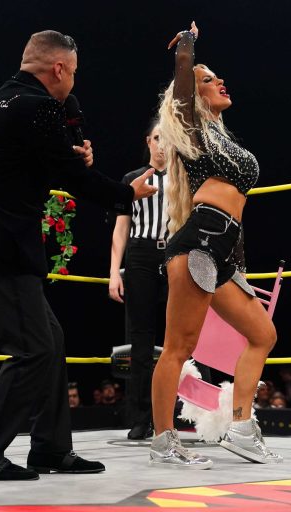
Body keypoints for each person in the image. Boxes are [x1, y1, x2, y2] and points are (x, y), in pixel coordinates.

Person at [0, 29, 157, 481]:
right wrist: (126, 194)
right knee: (32, 349)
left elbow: (24, 166)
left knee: (50, 340)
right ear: (58, 68)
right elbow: (71, 179)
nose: (73, 82)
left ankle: (51, 449)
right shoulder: (38, 106)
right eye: (73, 73)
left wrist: (71, 159)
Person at [148, 21, 281, 469]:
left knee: (262, 335)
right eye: (208, 79)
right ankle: (163, 440)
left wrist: (237, 267)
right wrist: (187, 48)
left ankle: (242, 430)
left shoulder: (218, 137)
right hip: (199, 246)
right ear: (193, 94)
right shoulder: (191, 126)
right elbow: (182, 85)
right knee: (178, 347)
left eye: (217, 76)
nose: (220, 81)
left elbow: (235, 215)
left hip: (220, 252)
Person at [108, 120, 169, 440]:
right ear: (148, 141)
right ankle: (142, 418)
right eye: (157, 138)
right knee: (141, 340)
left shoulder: (184, 178)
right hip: (140, 256)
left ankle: (186, 414)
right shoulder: (131, 179)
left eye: (167, 138)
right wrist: (113, 273)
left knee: (183, 337)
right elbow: (121, 228)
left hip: (174, 255)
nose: (162, 144)